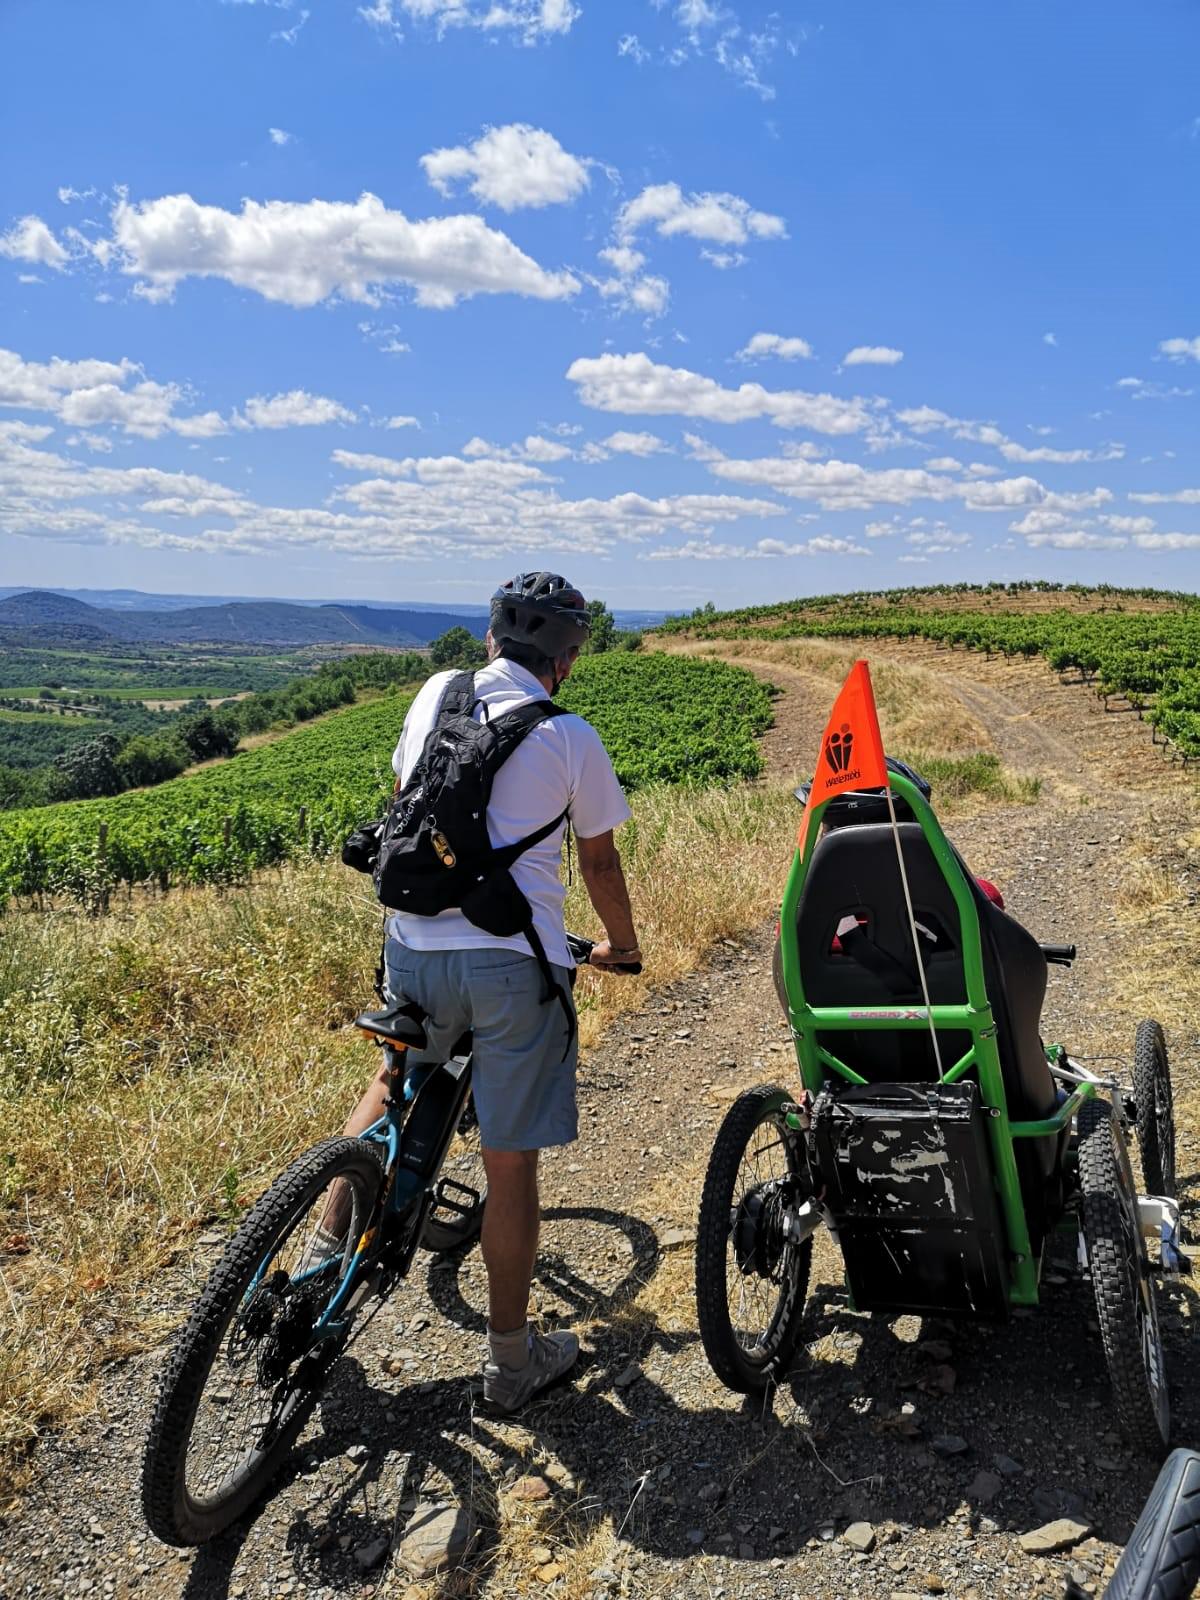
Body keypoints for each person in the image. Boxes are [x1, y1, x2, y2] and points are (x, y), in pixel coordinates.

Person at [339, 572, 641, 1414]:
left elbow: (406, 803)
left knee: (389, 1086)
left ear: (490, 641)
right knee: (510, 1167)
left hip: (412, 944)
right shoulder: (570, 735)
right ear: (567, 659)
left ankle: (320, 1263)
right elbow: (600, 863)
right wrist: (621, 945)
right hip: (512, 966)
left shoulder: (438, 693)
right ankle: (512, 1364)